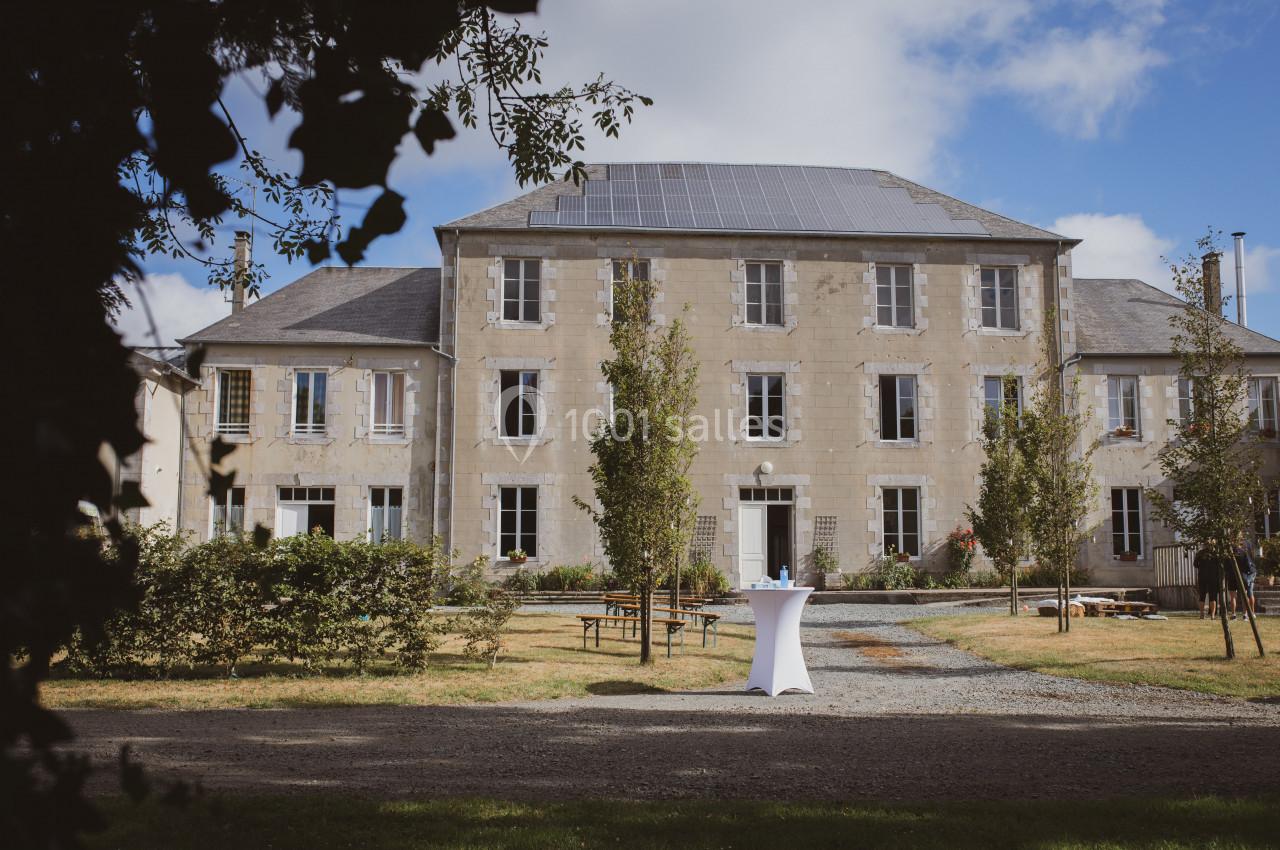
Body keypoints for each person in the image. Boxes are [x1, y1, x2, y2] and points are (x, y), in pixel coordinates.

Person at [1229, 535, 1258, 620]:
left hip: (1231, 575)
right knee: (1244, 595)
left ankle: (1233, 614)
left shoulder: (1228, 554)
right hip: (1242, 575)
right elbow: (1248, 566)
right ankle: (1245, 614)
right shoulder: (1243, 552)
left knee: (1233, 596)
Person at [1193, 543, 1222, 620]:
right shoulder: (1216, 554)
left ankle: (1202, 614)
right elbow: (1219, 565)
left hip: (1202, 576)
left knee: (1202, 596)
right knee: (1212, 596)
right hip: (1213, 577)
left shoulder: (1200, 553)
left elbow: (1195, 564)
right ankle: (1212, 615)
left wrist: (1201, 567)